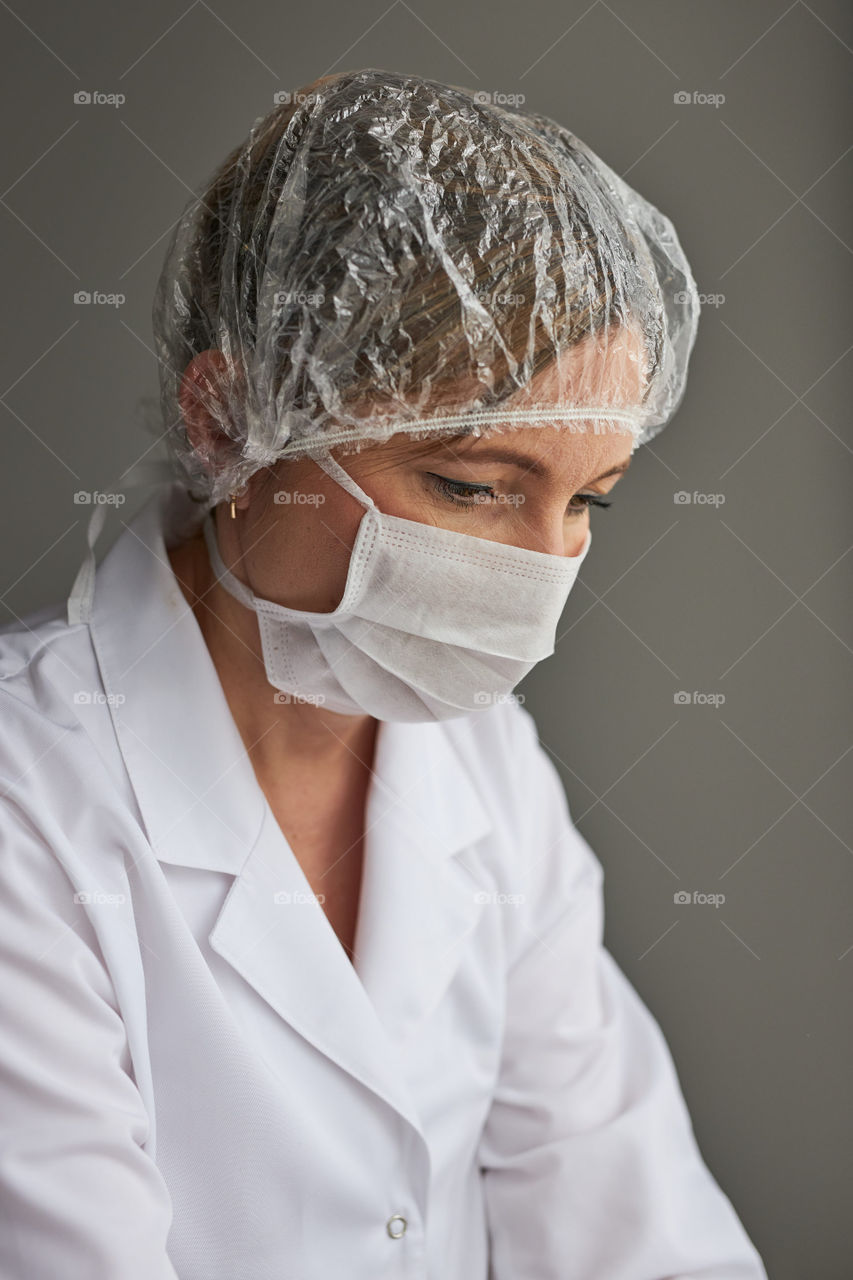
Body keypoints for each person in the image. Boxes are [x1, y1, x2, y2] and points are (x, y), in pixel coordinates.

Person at [0, 68, 768, 1278]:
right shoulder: (26, 798)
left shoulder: (481, 756)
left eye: (589, 503)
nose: (542, 568)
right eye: (472, 486)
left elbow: (626, 1210)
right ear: (232, 421)